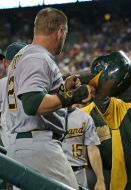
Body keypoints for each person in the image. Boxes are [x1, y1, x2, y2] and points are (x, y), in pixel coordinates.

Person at [6, 7, 94, 189]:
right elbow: (32, 103)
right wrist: (74, 95)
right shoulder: (38, 57)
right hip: (39, 147)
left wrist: (62, 88)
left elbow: (33, 94)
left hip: (22, 144)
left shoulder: (22, 56)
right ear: (60, 32)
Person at [62, 105, 106, 190]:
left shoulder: (85, 118)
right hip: (55, 170)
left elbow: (92, 149)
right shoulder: (49, 115)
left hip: (78, 172)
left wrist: (100, 179)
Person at [0, 42, 27, 149]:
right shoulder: (35, 81)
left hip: (9, 145)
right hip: (33, 142)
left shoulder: (2, 83)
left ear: (5, 63)